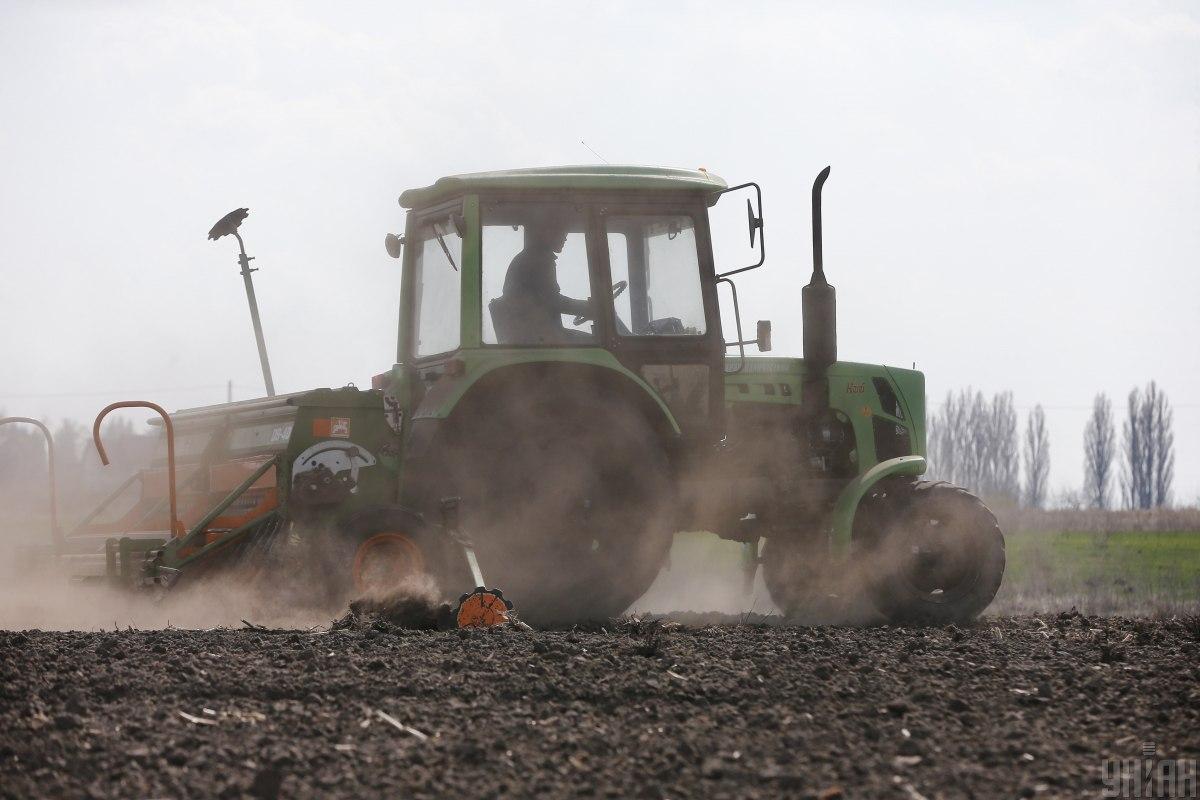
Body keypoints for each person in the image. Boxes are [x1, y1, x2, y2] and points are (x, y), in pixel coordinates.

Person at [499, 216, 592, 343]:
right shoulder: (539, 260)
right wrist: (589, 308)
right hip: (537, 336)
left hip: (535, 332)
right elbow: (553, 301)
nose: (565, 238)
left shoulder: (532, 257)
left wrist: (587, 307)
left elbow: (549, 300)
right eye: (562, 233)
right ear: (548, 233)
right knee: (595, 343)